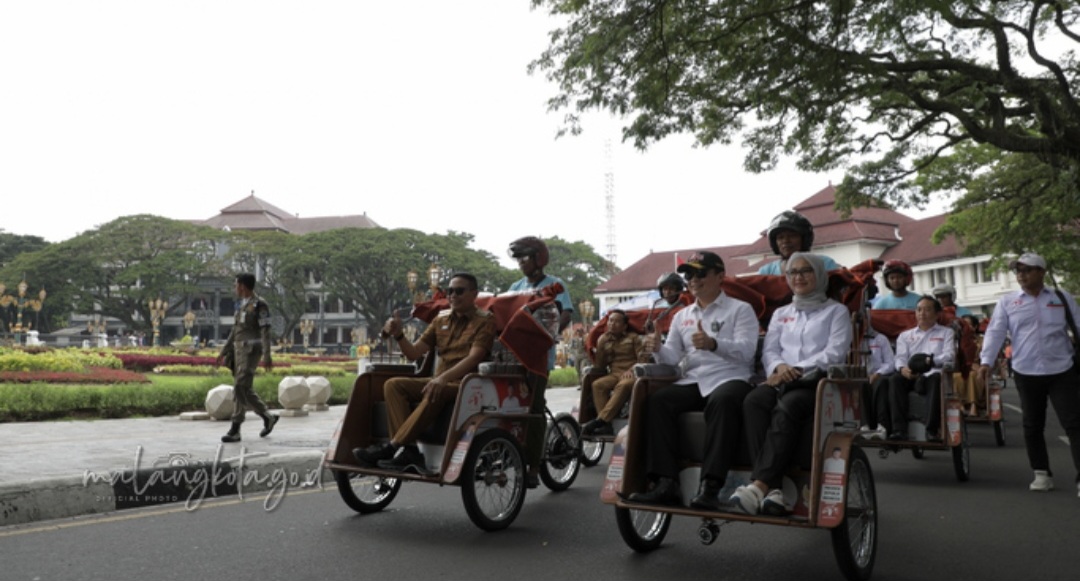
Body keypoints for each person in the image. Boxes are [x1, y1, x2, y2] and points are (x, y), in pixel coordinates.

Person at [627, 251, 759, 510]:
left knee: (722, 402)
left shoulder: (740, 310)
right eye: (689, 275)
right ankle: (665, 482)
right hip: (694, 379)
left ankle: (711, 485)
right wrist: (656, 347)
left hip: (730, 376)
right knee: (657, 401)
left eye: (700, 273)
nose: (693, 280)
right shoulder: (682, 315)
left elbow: (747, 350)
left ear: (720, 276)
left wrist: (714, 344)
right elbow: (673, 357)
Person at [731, 253, 852, 515]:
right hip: (780, 378)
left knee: (788, 406)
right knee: (753, 402)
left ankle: (760, 484)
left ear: (819, 275)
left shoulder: (836, 311)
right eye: (793, 272)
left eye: (805, 271)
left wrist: (797, 370)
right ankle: (773, 490)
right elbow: (770, 350)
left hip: (815, 382)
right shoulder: (781, 314)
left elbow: (834, 352)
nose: (799, 277)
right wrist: (779, 368)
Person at [353, 272, 496, 473]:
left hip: (466, 384)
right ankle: (410, 451)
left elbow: (474, 357)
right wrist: (399, 335)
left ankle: (393, 447)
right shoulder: (441, 320)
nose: (453, 295)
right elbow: (413, 353)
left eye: (459, 291)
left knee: (435, 389)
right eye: (450, 291)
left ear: (474, 294)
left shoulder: (485, 320)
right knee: (393, 385)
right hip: (439, 381)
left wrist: (443, 379)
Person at [978, 253, 1080, 496]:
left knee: (1075, 424)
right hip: (1026, 370)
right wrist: (986, 361)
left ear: (1042, 272)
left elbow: (1078, 324)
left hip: (1062, 369)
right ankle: (1041, 473)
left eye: (1027, 270)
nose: (1021, 275)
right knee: (1032, 424)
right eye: (1018, 271)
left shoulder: (1061, 298)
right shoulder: (1008, 302)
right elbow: (995, 332)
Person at [507, 236, 573, 487]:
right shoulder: (515, 286)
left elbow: (565, 313)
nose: (521, 263)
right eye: (518, 258)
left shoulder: (555, 284)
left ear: (539, 258)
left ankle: (533, 466)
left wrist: (551, 334)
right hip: (514, 354)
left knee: (534, 409)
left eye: (525, 257)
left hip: (538, 356)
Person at [215, 273, 278, 443]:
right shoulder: (241, 305)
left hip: (251, 352)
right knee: (245, 389)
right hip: (238, 352)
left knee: (239, 386)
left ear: (242, 286)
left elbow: (266, 330)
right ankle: (267, 416)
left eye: (236, 285)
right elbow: (236, 331)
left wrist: (267, 355)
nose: (235, 288)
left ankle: (235, 428)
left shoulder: (260, 304)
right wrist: (224, 351)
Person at [884, 295, 955, 441]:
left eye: (927, 310)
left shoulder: (946, 332)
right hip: (910, 374)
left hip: (932, 374)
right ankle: (899, 430)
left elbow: (949, 355)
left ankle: (931, 430)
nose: (922, 313)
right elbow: (900, 357)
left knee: (936, 379)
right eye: (919, 310)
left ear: (937, 314)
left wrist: (930, 361)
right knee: (894, 380)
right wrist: (903, 369)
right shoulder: (905, 336)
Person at [582, 309, 646, 436]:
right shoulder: (604, 339)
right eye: (610, 321)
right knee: (597, 385)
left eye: (617, 322)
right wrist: (599, 348)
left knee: (623, 385)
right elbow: (600, 365)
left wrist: (632, 370)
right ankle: (606, 425)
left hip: (632, 373)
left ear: (624, 326)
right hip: (614, 373)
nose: (612, 324)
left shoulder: (633, 338)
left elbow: (643, 359)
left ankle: (601, 420)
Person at [757, 210, 840, 275]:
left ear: (804, 239)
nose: (785, 241)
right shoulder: (766, 272)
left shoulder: (824, 264)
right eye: (780, 237)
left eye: (792, 236)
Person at [861, 323, 895, 439]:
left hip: (879, 374)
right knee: (859, 384)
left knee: (881, 383)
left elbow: (890, 363)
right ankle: (864, 426)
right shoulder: (851, 341)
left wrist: (878, 373)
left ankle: (882, 426)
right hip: (860, 375)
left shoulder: (880, 339)